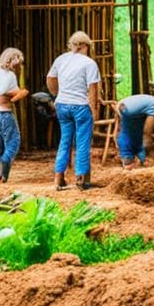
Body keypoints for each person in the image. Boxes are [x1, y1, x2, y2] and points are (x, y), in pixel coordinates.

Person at [47, 31, 100, 191]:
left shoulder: (61, 59)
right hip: (80, 106)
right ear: (85, 46)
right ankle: (82, 179)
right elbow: (93, 89)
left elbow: (50, 79)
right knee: (82, 142)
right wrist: (94, 110)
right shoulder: (89, 63)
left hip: (62, 105)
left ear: (71, 45)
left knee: (65, 141)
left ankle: (58, 179)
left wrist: (57, 94)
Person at [0, 47, 29, 183]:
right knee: (13, 142)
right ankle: (3, 169)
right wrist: (21, 93)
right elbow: (3, 91)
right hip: (3, 114)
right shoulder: (9, 75)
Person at [115, 93, 154, 169]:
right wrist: (147, 137)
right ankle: (131, 159)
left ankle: (131, 158)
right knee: (131, 135)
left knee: (130, 132)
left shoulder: (151, 101)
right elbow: (149, 124)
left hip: (123, 105)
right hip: (129, 108)